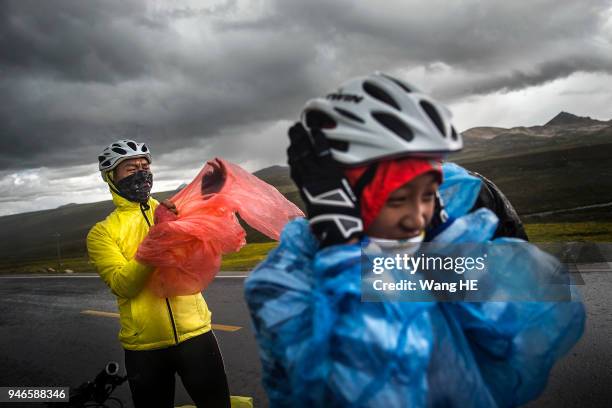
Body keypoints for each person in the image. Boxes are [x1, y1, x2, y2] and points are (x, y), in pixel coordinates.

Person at [244, 73, 584, 407]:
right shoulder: (283, 281)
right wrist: (343, 250)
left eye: (428, 195)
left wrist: (446, 246)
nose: (416, 217)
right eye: (396, 200)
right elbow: (371, 383)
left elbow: (507, 336)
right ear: (341, 196)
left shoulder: (424, 246)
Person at [87, 139, 230, 408]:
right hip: (145, 349)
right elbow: (123, 285)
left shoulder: (173, 210)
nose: (141, 172)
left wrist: (212, 192)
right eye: (130, 168)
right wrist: (157, 239)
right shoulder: (102, 232)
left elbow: (200, 257)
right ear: (110, 176)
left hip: (196, 336)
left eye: (145, 166)